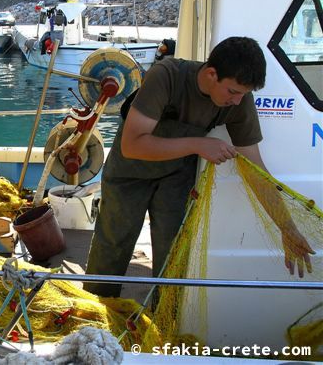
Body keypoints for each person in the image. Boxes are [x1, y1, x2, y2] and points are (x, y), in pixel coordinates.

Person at [84, 37, 314, 297]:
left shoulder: (240, 102)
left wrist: (287, 229)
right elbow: (132, 145)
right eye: (233, 92)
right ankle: (94, 314)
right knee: (113, 244)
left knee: (172, 255)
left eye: (244, 94)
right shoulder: (167, 75)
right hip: (129, 173)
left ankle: (160, 325)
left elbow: (257, 170)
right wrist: (199, 144)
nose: (238, 101)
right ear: (212, 73)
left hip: (176, 177)